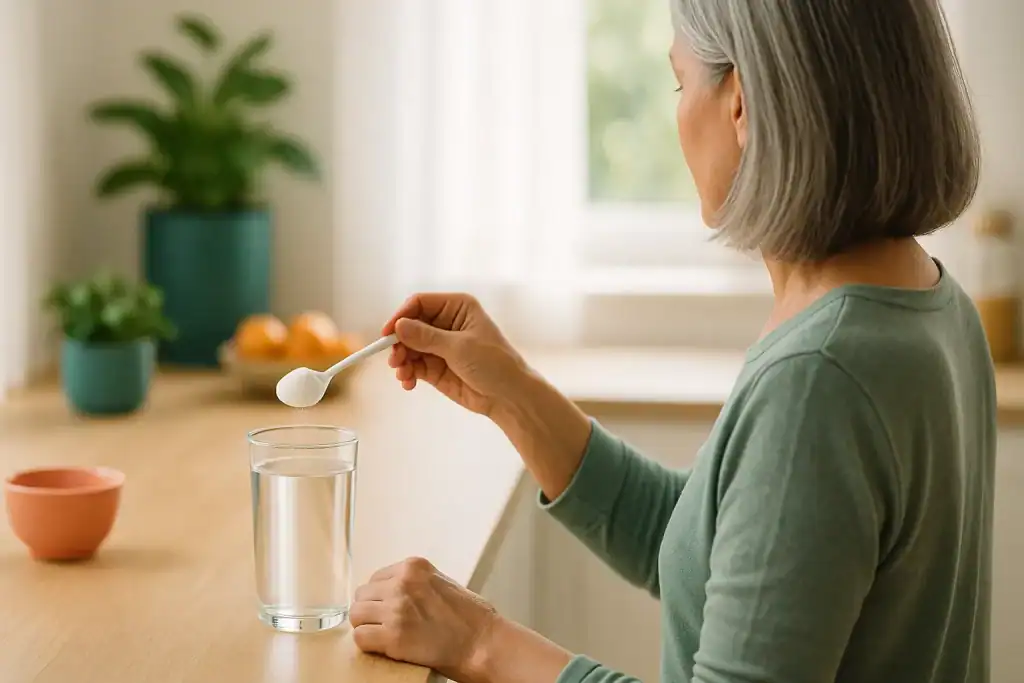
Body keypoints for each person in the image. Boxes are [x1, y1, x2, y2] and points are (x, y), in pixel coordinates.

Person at [349, 1, 995, 682]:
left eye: (680, 83)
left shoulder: (818, 376)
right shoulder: (930, 304)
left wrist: (480, 641)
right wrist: (510, 392)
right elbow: (712, 548)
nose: (678, 113)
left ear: (741, 103)